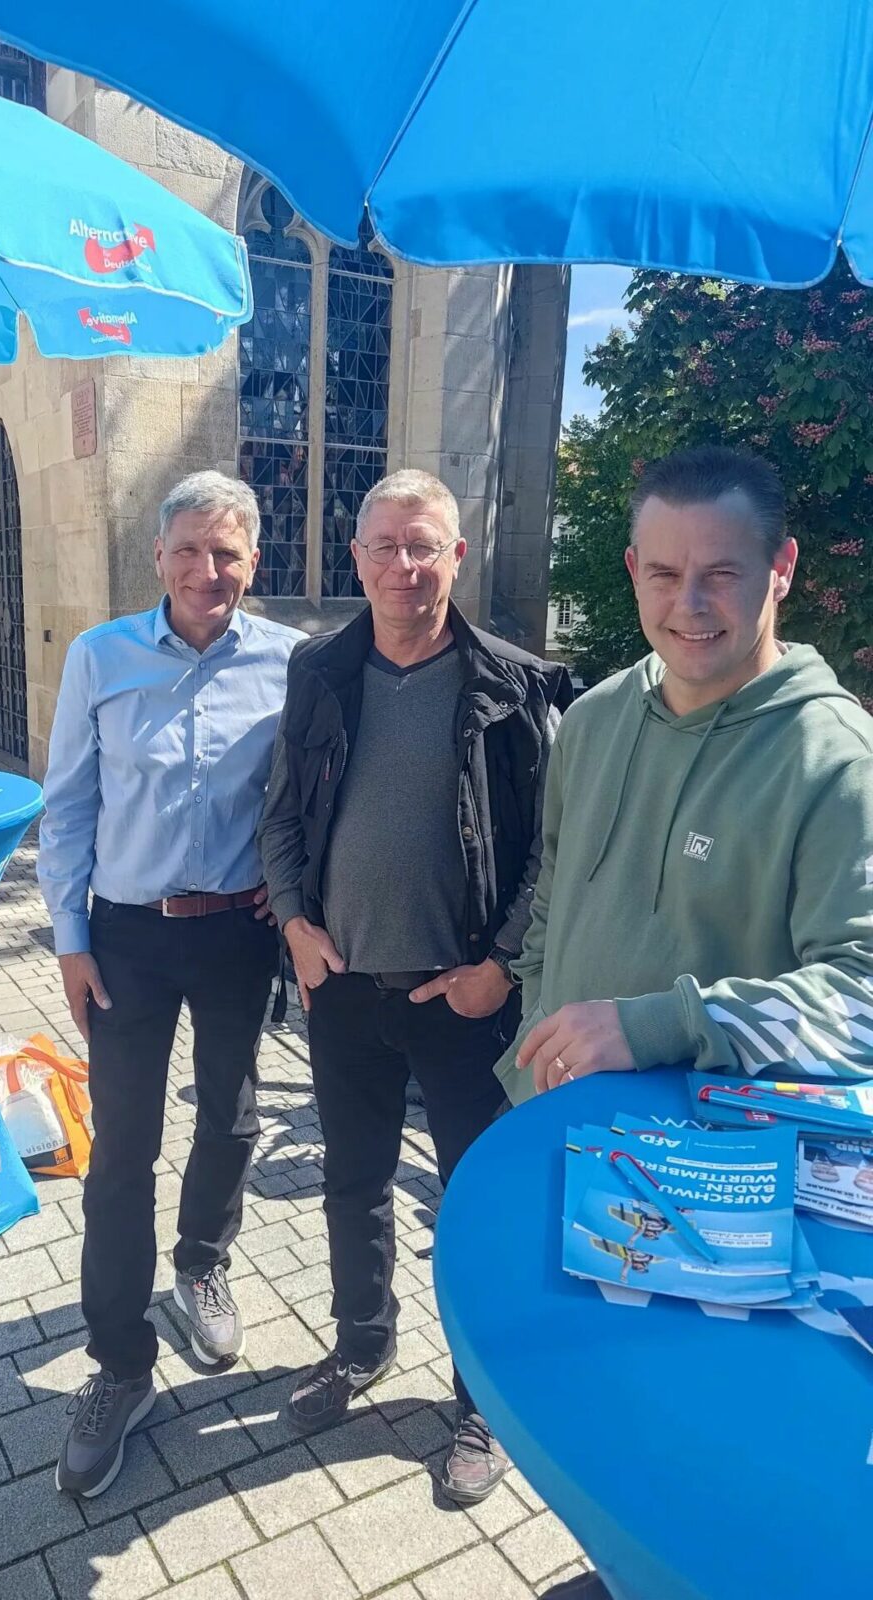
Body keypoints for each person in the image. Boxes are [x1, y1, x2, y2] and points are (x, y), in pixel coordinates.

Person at [259, 468, 572, 1504]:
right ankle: (361, 1344)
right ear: (357, 559)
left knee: (476, 1204)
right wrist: (296, 926)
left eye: (423, 545)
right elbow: (281, 814)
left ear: (457, 556)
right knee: (351, 1181)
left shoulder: (512, 685)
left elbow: (549, 850)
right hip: (343, 988)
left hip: (464, 1000)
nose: (404, 565)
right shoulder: (319, 670)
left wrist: (501, 966)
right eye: (385, 546)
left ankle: (484, 1399)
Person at [39, 470, 303, 1500]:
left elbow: (303, 800)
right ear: (157, 556)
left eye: (226, 552)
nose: (207, 570)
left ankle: (201, 1263)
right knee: (123, 1149)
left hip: (238, 930)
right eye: (188, 549)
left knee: (232, 1116)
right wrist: (70, 940)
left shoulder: (290, 662)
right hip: (127, 938)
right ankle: (118, 1362)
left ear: (253, 561)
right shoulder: (99, 657)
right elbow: (68, 808)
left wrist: (293, 889)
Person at [499, 444, 873, 1108]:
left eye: (722, 573)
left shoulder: (837, 762)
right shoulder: (590, 720)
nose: (689, 604)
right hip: (556, 1111)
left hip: (715, 1153)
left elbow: (862, 1002)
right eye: (665, 574)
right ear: (634, 571)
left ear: (781, 569)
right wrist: (536, 1029)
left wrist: (659, 1026)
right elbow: (554, 900)